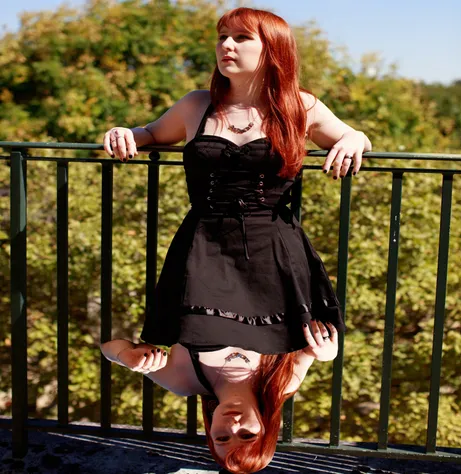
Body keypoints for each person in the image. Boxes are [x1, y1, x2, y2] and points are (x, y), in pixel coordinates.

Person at [100, 7, 372, 474]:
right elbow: (151, 135)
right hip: (206, 246)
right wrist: (128, 133)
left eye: (242, 38)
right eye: (223, 37)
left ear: (272, 50)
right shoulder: (195, 105)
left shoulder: (299, 107)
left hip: (274, 250)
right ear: (265, 426)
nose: (227, 46)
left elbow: (348, 135)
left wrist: (356, 138)